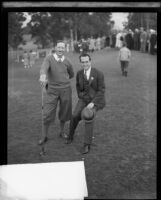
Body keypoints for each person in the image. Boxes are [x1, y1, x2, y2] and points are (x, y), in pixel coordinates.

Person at [66, 53, 106, 154]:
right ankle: (70, 136)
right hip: (84, 99)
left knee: (88, 116)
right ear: (80, 63)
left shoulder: (98, 73)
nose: (85, 64)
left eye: (86, 62)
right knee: (75, 115)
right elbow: (78, 87)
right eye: (82, 62)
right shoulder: (79, 73)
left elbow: (101, 91)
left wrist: (93, 103)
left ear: (90, 61)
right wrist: (81, 96)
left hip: (95, 101)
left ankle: (86, 144)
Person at [38, 40, 74, 145]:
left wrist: (64, 80)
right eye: (59, 47)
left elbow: (71, 74)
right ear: (55, 47)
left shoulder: (68, 61)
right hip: (52, 90)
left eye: (62, 48)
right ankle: (44, 136)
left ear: (64, 49)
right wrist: (43, 76)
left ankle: (62, 132)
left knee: (64, 112)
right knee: (47, 113)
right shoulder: (49, 58)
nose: (60, 49)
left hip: (65, 90)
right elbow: (44, 68)